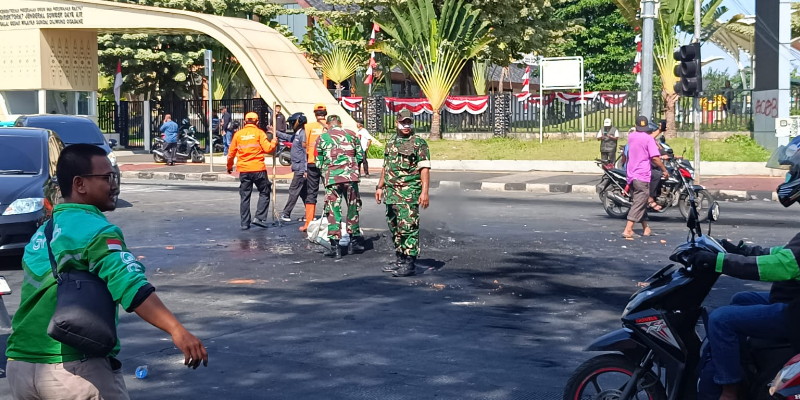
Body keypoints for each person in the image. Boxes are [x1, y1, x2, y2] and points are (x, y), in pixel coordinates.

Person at [5, 144, 208, 399]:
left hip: (21, 367)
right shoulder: (97, 231)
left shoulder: (43, 232)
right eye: (107, 177)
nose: (114, 184)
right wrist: (177, 330)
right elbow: (132, 287)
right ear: (80, 184)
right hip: (74, 369)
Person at [690, 163, 800, 400]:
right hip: (793, 301)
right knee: (741, 299)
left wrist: (718, 262)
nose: (789, 173)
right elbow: (783, 254)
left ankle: (729, 390)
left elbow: (782, 266)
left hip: (795, 312)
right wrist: (741, 250)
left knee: (721, 320)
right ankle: (747, 365)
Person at [375, 109, 431, 277]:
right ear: (396, 123)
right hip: (391, 193)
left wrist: (425, 192)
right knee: (394, 227)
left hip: (409, 192)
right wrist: (379, 186)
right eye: (403, 123)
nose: (406, 126)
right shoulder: (391, 142)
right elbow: (386, 167)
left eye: (409, 123)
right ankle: (400, 258)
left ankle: (410, 262)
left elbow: (425, 169)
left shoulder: (418, 143)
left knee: (408, 227)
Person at [316, 115, 365, 259]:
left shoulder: (322, 137)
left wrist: (327, 173)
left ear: (328, 124)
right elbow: (360, 156)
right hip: (351, 178)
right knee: (352, 208)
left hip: (332, 178)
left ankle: (335, 246)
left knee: (333, 210)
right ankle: (354, 242)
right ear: (340, 123)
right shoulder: (352, 135)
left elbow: (319, 161)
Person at [227, 112, 278, 230]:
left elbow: (231, 154)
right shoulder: (259, 133)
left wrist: (229, 167)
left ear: (245, 122)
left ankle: (245, 223)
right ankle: (259, 218)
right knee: (265, 191)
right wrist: (274, 141)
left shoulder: (238, 134)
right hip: (258, 169)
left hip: (244, 170)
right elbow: (268, 148)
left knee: (245, 196)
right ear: (257, 122)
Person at [622, 116, 669, 239]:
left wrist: (659, 131)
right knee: (639, 202)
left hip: (631, 174)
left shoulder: (632, 136)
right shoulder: (648, 140)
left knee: (641, 201)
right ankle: (628, 229)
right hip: (642, 175)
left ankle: (646, 228)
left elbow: (647, 138)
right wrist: (664, 170)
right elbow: (654, 158)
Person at [298, 103, 329, 232]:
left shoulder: (308, 127)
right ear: (325, 114)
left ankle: (308, 223)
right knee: (330, 191)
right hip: (327, 163)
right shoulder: (330, 126)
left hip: (312, 162)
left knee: (311, 192)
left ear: (315, 114)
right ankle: (331, 221)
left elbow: (304, 144)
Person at [279, 112, 308, 222]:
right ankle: (310, 214)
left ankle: (286, 214)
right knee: (303, 192)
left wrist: (305, 169)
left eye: (292, 122)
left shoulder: (303, 134)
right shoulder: (298, 134)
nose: (291, 125)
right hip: (298, 167)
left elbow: (306, 153)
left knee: (294, 190)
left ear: (298, 122)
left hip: (301, 169)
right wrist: (275, 132)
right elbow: (288, 137)